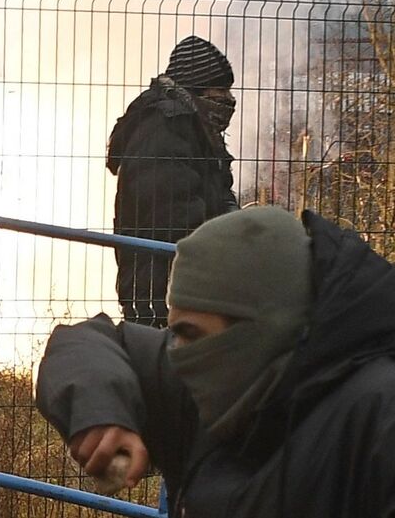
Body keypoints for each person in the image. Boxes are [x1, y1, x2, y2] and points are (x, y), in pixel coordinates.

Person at [35, 206, 395, 516]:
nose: (177, 353)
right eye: (174, 331)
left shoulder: (378, 421)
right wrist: (101, 412)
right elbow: (86, 342)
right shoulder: (214, 387)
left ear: (262, 329)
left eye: (190, 333)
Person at [107, 35, 239, 328]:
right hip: (162, 285)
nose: (229, 99)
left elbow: (218, 192)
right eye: (220, 89)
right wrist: (226, 239)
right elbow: (173, 213)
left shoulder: (194, 128)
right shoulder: (167, 126)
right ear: (196, 88)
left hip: (177, 280)